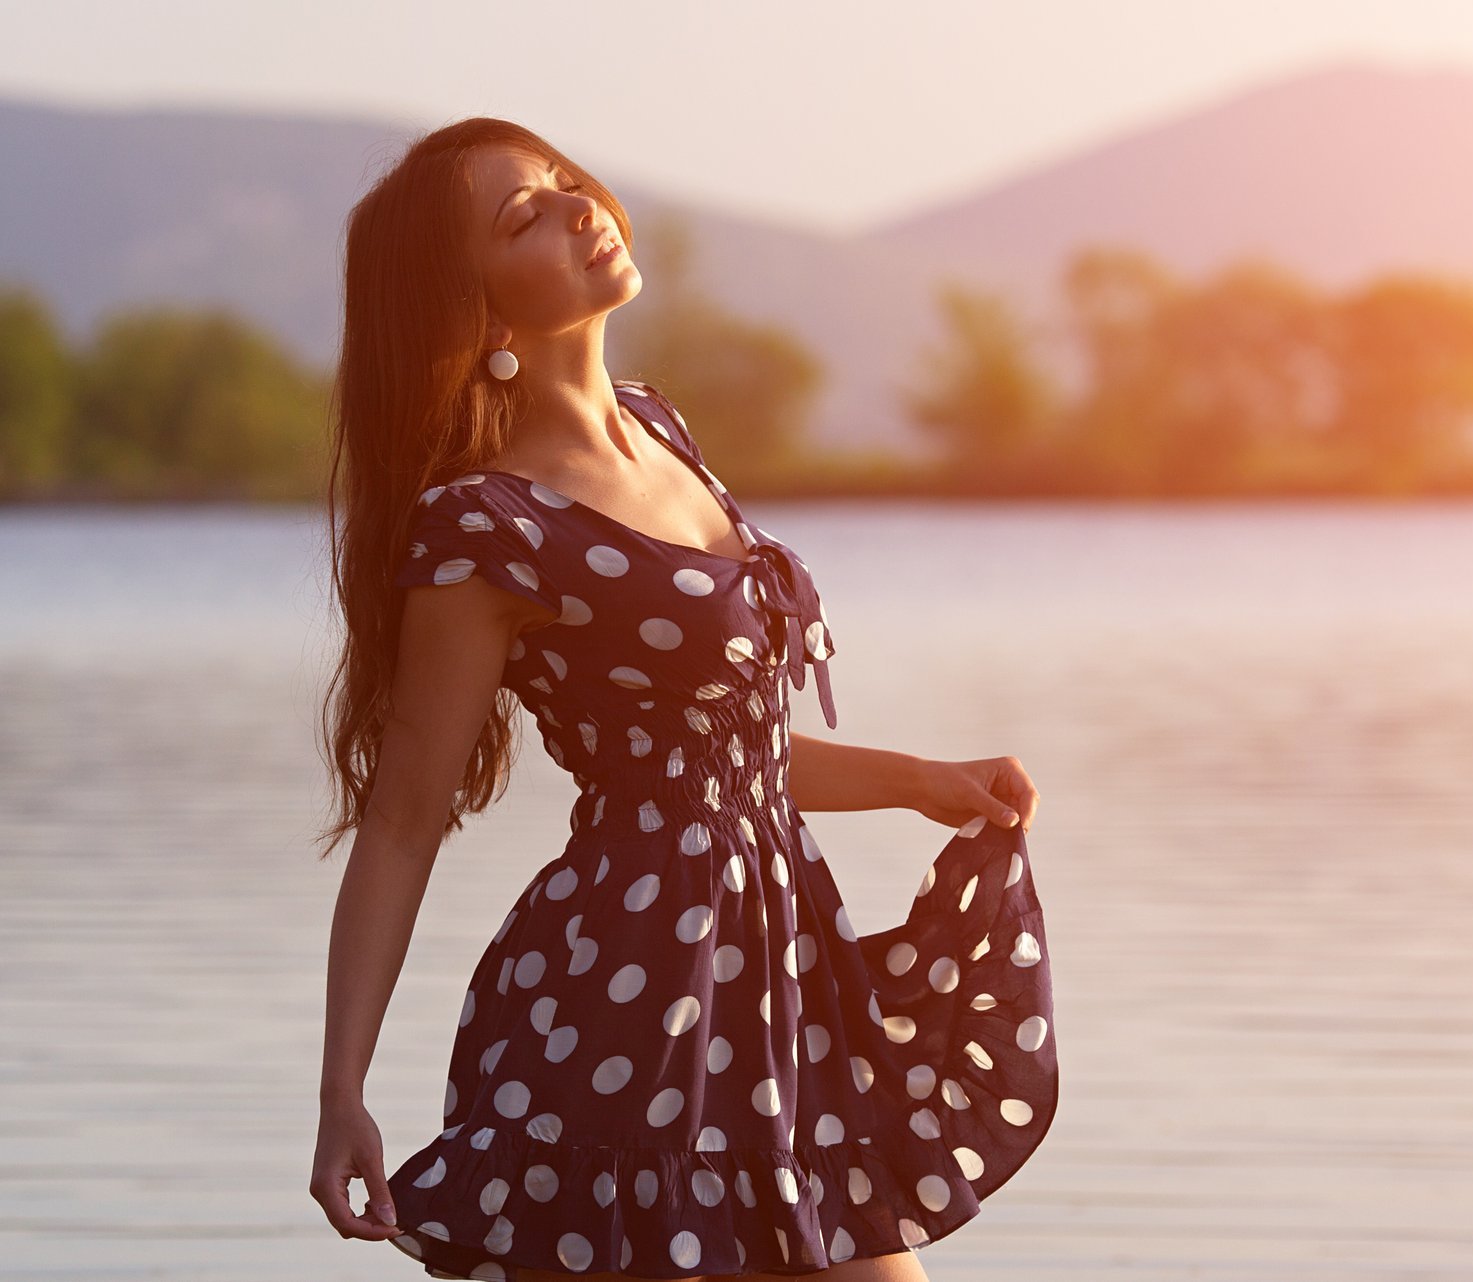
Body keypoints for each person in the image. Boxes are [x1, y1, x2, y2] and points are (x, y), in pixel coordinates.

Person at [306, 117, 1058, 1282]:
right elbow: (404, 818)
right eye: (525, 218)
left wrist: (926, 784)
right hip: (629, 998)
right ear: (477, 309)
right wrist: (342, 1089)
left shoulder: (661, 432)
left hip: (782, 985)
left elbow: (724, 755)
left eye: (563, 185)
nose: (576, 209)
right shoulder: (485, 528)